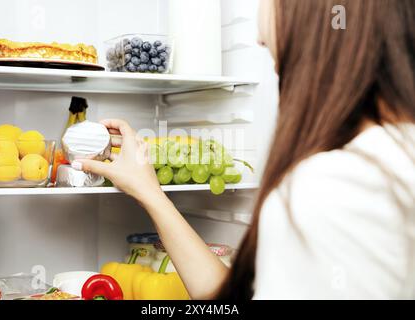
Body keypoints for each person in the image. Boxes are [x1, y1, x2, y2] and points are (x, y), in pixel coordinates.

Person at [72, 0, 415, 299]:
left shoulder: (333, 186)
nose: (258, 38)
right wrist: (151, 193)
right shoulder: (393, 153)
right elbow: (228, 299)